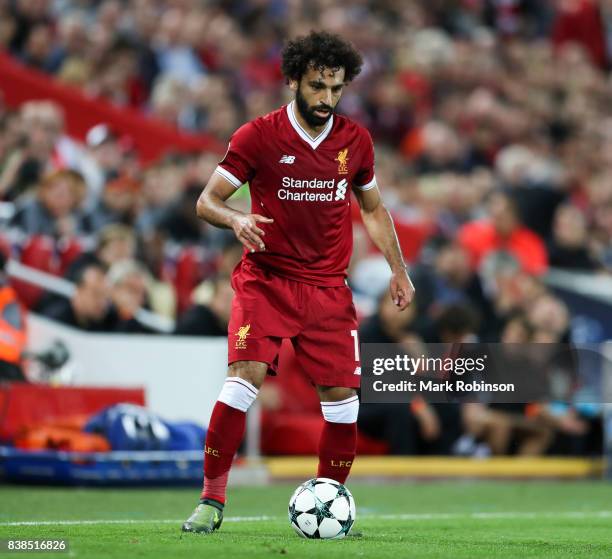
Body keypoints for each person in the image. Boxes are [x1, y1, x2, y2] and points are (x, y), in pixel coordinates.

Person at [182, 31, 415, 534]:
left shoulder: (355, 141)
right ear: (292, 80)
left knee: (344, 401)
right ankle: (211, 500)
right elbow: (206, 201)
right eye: (317, 87)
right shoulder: (257, 136)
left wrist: (398, 268)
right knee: (244, 379)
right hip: (265, 280)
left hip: (329, 289)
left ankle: (331, 505)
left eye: (336, 88)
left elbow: (372, 208)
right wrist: (236, 220)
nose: (327, 99)